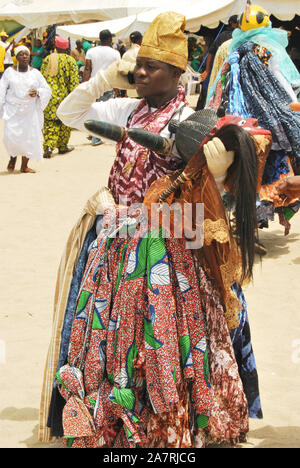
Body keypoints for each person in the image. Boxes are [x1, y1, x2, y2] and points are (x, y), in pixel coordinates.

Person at [39, 11, 266, 448]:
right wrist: (105, 77)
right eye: (137, 65)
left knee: (160, 342)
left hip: (169, 252)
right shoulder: (129, 108)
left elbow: (212, 190)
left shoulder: (191, 121)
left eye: (151, 66)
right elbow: (70, 113)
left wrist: (217, 173)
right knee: (110, 340)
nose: (140, 72)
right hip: (116, 247)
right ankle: (118, 427)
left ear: (177, 73)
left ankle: (165, 433)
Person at [207, 3, 300, 236]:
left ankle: (246, 218)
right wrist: (290, 107)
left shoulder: (232, 51)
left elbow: (219, 84)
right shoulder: (265, 50)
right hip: (267, 119)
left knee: (242, 167)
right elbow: (281, 80)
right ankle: (262, 214)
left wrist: (212, 108)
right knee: (274, 161)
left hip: (238, 118)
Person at [0, 45, 51, 173]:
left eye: (26, 54)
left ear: (29, 57)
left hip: (30, 111)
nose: (24, 56)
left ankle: (24, 166)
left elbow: (47, 89)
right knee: (10, 137)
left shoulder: (35, 73)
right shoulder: (9, 72)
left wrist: (38, 92)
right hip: (13, 110)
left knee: (29, 137)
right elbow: (2, 89)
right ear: (16, 57)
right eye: (21, 54)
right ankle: (12, 158)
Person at [40, 36, 79, 158]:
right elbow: (73, 82)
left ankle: (48, 147)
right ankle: (62, 146)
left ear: (55, 46)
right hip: (65, 97)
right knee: (64, 121)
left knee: (50, 122)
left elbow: (41, 78)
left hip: (49, 96)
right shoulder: (70, 60)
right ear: (66, 47)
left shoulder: (48, 59)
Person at [83, 29, 121, 146]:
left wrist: (85, 84)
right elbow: (117, 71)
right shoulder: (115, 53)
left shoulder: (91, 51)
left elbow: (87, 68)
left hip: (95, 84)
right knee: (107, 110)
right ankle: (102, 136)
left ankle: (95, 135)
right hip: (108, 84)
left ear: (100, 39)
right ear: (109, 39)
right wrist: (117, 87)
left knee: (94, 110)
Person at [196, 15, 239, 110]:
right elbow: (211, 52)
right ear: (233, 23)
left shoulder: (238, 36)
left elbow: (210, 52)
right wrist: (207, 70)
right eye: (237, 23)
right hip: (221, 69)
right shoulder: (225, 35)